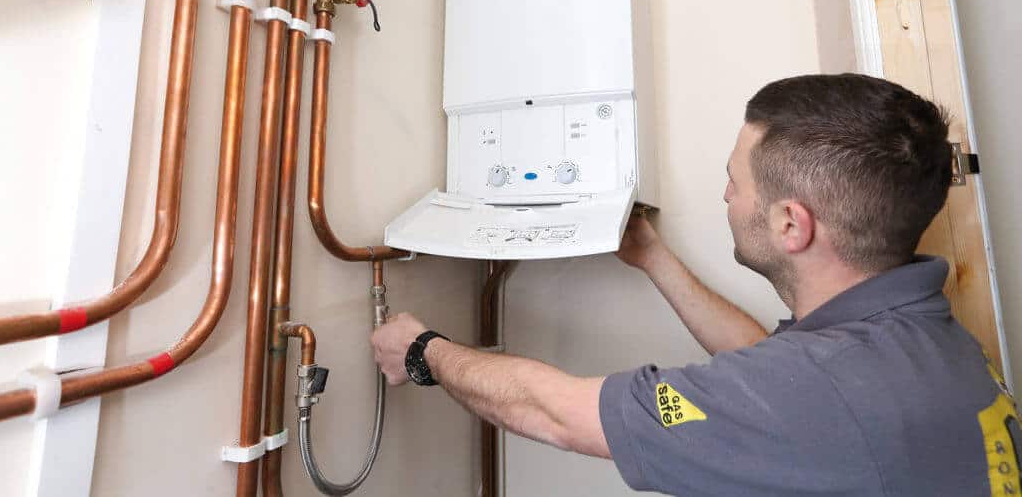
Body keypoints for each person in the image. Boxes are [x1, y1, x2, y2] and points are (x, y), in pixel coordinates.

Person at [371, 73, 1019, 496]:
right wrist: (653, 257)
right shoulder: (928, 343)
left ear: (792, 222)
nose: (726, 196)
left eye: (735, 181)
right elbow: (766, 366)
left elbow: (561, 415)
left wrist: (421, 350)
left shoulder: (826, 392)